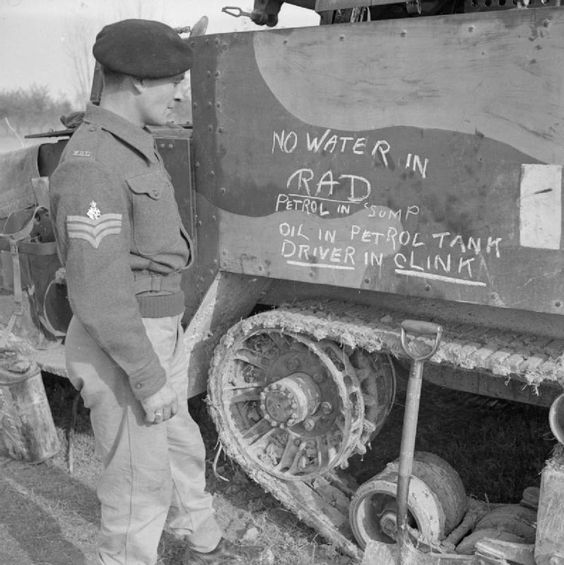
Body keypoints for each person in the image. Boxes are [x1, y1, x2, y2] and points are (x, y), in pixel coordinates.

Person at [50, 19, 250, 565]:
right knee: (139, 486)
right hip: (124, 338)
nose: (181, 92)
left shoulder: (130, 145)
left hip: (156, 327)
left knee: (180, 447)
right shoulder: (94, 162)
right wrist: (145, 373)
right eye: (173, 80)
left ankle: (202, 546)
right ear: (136, 80)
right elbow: (97, 290)